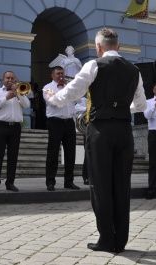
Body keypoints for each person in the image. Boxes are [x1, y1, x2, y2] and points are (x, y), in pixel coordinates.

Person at [45, 28, 147, 253]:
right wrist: (121, 109)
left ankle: (106, 240)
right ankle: (120, 240)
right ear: (118, 46)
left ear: (99, 47)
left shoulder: (94, 65)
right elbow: (141, 105)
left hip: (100, 129)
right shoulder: (134, 70)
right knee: (122, 185)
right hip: (124, 130)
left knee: (100, 185)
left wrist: (55, 99)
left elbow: (74, 91)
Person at [0, 71, 30, 192]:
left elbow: (27, 105)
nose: (10, 80)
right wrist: (6, 97)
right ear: (3, 80)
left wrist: (19, 94)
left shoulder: (19, 91)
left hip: (15, 128)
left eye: (12, 78)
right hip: (1, 126)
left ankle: (10, 182)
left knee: (13, 156)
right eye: (8, 78)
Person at [43, 66, 80, 191]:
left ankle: (69, 181)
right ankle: (50, 182)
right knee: (53, 152)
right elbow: (53, 102)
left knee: (70, 153)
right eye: (58, 74)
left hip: (69, 122)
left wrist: (72, 87)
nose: (61, 76)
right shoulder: (47, 88)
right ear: (52, 75)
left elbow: (79, 100)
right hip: (55, 122)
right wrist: (64, 92)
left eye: (62, 73)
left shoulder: (68, 87)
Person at [74, 97, 89, 185]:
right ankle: (86, 176)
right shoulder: (84, 100)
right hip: (89, 127)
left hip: (103, 126)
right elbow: (76, 108)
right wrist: (89, 108)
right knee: (88, 153)